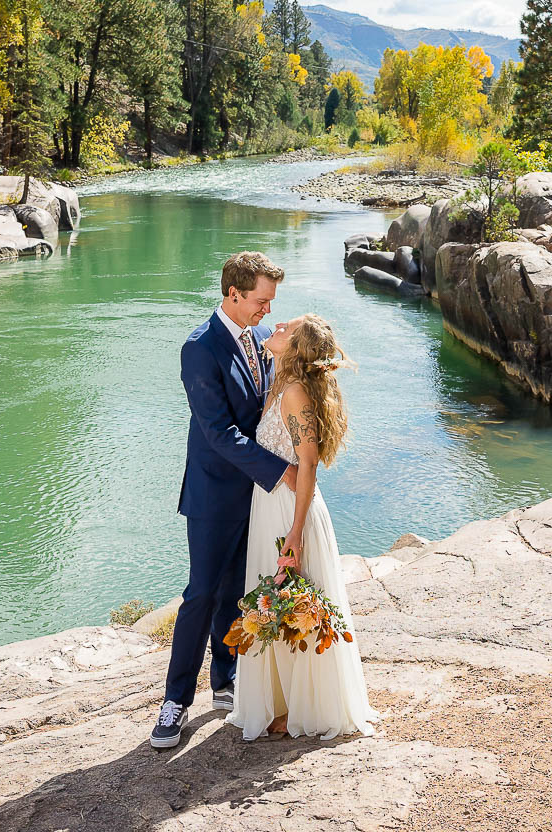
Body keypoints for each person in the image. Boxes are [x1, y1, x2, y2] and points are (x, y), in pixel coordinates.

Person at [150, 251, 297, 750]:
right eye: (260, 301)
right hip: (215, 493)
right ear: (233, 294)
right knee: (202, 593)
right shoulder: (199, 348)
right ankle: (174, 701)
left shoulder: (259, 339)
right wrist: (283, 472)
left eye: (270, 302)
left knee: (238, 587)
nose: (266, 311)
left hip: (255, 494)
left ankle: (225, 679)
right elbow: (218, 432)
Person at [228, 315, 377, 741]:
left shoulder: (293, 393)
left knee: (295, 601)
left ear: (294, 347)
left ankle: (304, 708)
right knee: (279, 600)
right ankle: (285, 701)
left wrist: (294, 533)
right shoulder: (281, 381)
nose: (274, 325)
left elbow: (307, 462)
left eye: (285, 327)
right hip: (272, 504)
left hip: (290, 511)